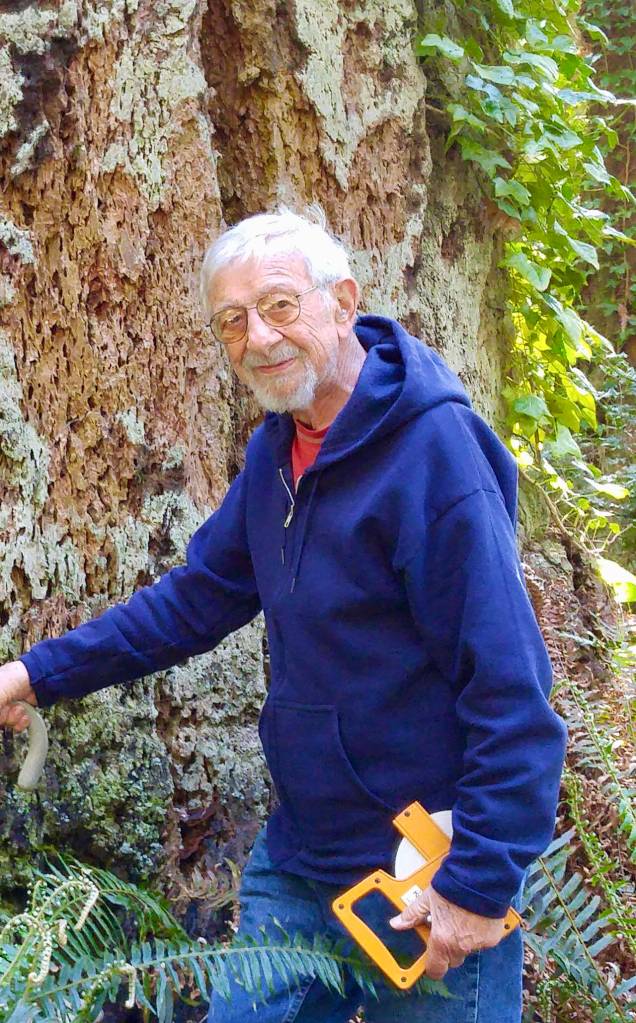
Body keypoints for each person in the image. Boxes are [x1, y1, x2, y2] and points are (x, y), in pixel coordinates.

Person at [0, 208, 567, 1022]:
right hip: (303, 854)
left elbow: (511, 690)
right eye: (232, 320)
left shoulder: (435, 456)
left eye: (278, 306)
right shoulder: (279, 449)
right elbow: (194, 600)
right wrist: (34, 672)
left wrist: (476, 884)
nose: (258, 338)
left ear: (344, 303)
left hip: (428, 867)